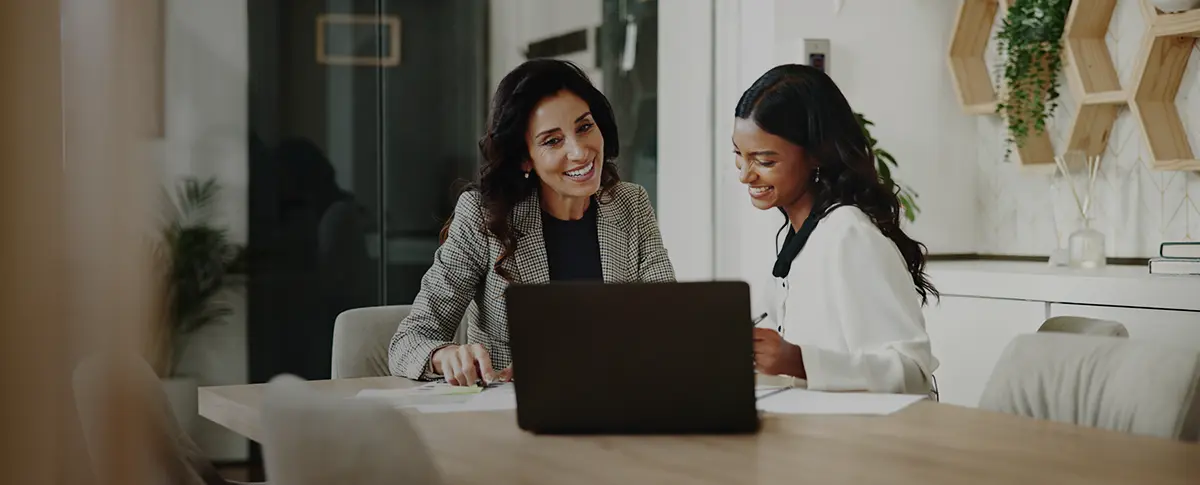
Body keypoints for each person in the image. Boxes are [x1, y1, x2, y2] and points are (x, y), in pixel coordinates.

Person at [387, 59, 676, 385]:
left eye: (584, 127)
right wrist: (446, 356)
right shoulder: (482, 218)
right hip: (511, 420)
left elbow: (668, 325)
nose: (580, 152)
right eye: (553, 141)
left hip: (614, 409)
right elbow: (408, 341)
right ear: (525, 157)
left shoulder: (630, 204)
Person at [733, 64, 939, 395]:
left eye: (765, 161)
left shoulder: (849, 236)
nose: (745, 175)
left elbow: (912, 373)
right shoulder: (798, 236)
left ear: (816, 154)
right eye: (739, 156)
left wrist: (798, 361)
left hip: (866, 441)